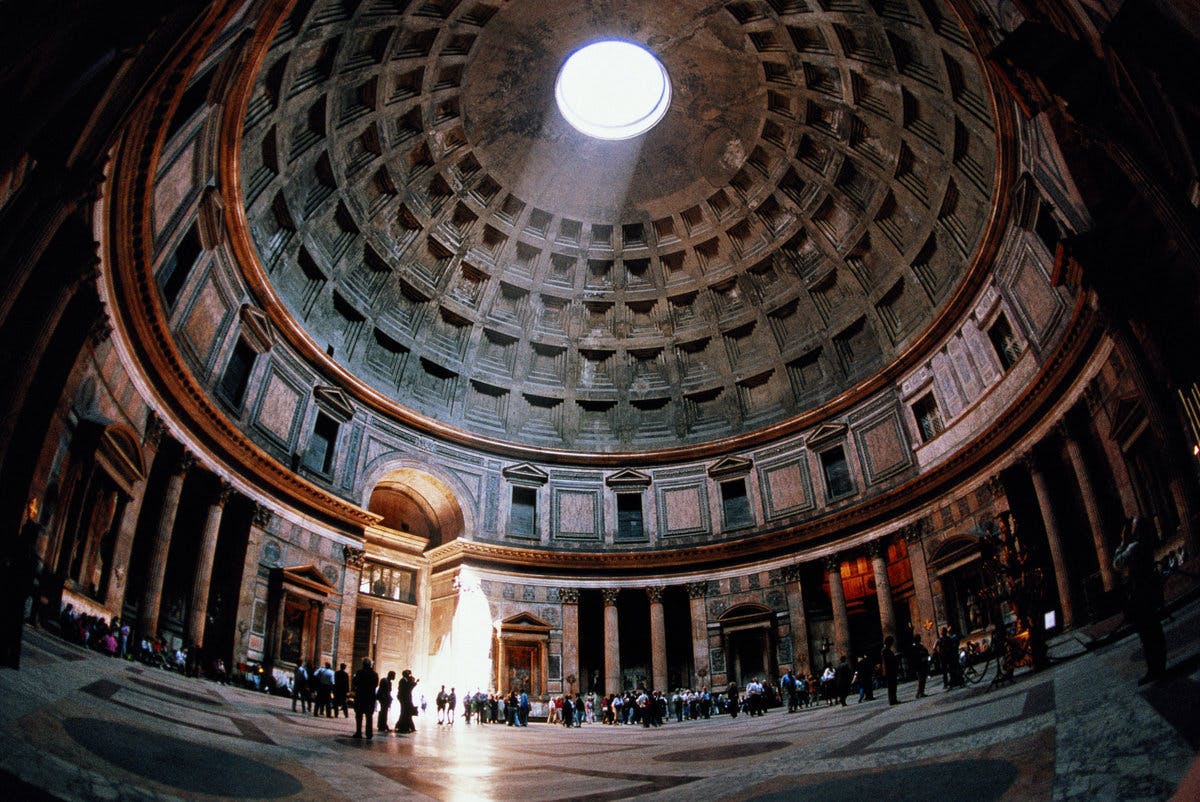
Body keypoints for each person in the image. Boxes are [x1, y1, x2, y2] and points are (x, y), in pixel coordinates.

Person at [1115, 516, 1168, 683]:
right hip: (1148, 593)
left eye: (1133, 527)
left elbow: (1117, 563)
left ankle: (1155, 669)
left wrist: (1123, 541)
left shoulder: (1135, 547)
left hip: (1140, 595)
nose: (1130, 529)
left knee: (1148, 635)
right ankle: (1158, 667)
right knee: (1154, 632)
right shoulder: (1145, 544)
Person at [351, 658, 379, 739]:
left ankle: (358, 732)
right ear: (370, 665)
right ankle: (369, 734)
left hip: (360, 697)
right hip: (370, 698)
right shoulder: (374, 674)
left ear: (363, 664)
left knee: (359, 716)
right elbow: (376, 685)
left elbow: (355, 682)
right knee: (369, 717)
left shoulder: (359, 672)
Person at [397, 669, 419, 733]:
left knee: (406, 713)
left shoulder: (405, 680)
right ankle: (404, 727)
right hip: (405, 699)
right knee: (405, 713)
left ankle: (407, 727)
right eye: (409, 674)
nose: (410, 675)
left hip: (406, 698)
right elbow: (409, 687)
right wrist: (415, 682)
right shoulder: (404, 680)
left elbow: (409, 687)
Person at [880, 635, 899, 705]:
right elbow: (884, 662)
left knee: (893, 686)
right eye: (891, 642)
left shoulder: (888, 650)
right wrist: (885, 672)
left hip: (892, 670)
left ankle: (894, 699)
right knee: (891, 686)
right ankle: (892, 700)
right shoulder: (885, 650)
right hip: (889, 671)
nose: (892, 644)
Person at [910, 635, 930, 699]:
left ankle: (922, 692)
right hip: (919, 666)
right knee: (921, 680)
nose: (919, 640)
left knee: (923, 679)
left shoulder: (921, 646)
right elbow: (914, 657)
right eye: (918, 639)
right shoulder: (914, 648)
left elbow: (926, 652)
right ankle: (918, 693)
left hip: (924, 664)